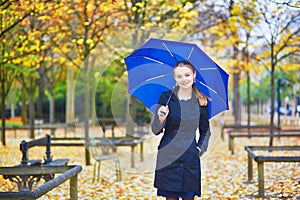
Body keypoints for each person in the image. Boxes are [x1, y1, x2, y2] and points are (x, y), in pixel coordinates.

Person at [151, 60, 211, 200]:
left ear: (194, 75)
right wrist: (160, 118)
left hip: (190, 156)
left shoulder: (201, 101)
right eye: (179, 76)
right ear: (175, 78)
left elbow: (205, 131)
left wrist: (199, 149)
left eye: (187, 75)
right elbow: (156, 130)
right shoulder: (166, 98)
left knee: (189, 197)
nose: (184, 79)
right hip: (168, 154)